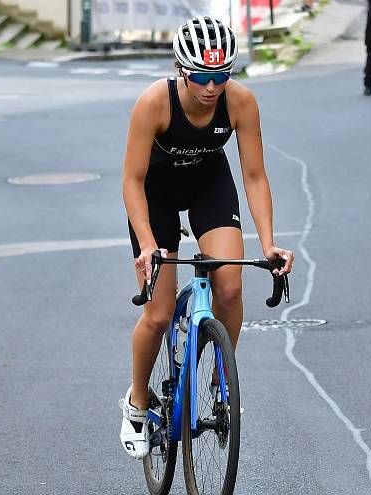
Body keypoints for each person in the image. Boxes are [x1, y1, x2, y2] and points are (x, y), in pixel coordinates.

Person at [119, 15, 295, 459]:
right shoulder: (154, 103)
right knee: (158, 315)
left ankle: (220, 378)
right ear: (182, 69)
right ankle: (138, 401)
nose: (212, 87)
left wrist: (268, 242)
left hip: (207, 185)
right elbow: (132, 181)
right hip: (155, 194)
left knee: (231, 286)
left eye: (221, 76)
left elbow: (254, 177)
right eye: (201, 76)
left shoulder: (240, 103)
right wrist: (146, 244)